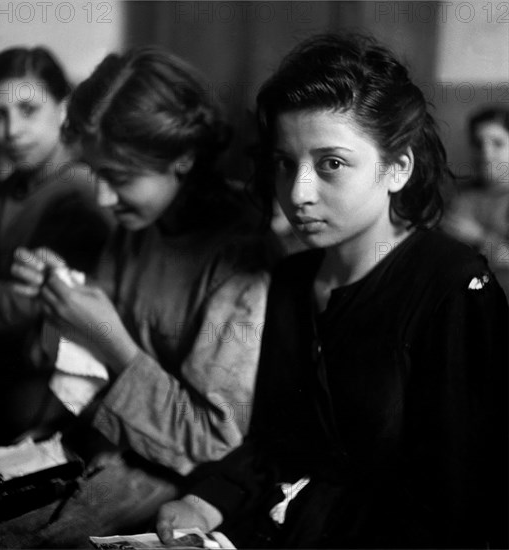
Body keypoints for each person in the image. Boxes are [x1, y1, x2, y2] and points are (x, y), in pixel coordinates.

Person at [155, 34, 508, 549]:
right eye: (283, 162)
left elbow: (467, 503)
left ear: (397, 168)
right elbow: (278, 443)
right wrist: (208, 499)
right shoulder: (292, 281)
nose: (298, 193)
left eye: (331, 164)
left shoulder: (455, 288)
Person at [11, 47, 272, 478]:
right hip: (108, 447)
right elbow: (81, 369)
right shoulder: (138, 226)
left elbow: (214, 446)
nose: (103, 199)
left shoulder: (240, 259)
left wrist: (111, 341)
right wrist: (57, 298)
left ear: (183, 157)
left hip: (181, 482)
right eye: (97, 174)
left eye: (121, 177)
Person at [0, 47, 113, 450]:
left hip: (48, 384)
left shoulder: (81, 191)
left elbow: (32, 305)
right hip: (0, 364)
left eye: (28, 110)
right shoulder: (7, 190)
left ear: (63, 107)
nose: (12, 131)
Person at [443, 107, 509, 300]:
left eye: (498, 143)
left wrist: (478, 236)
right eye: (478, 144)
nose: (486, 153)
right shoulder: (459, 195)